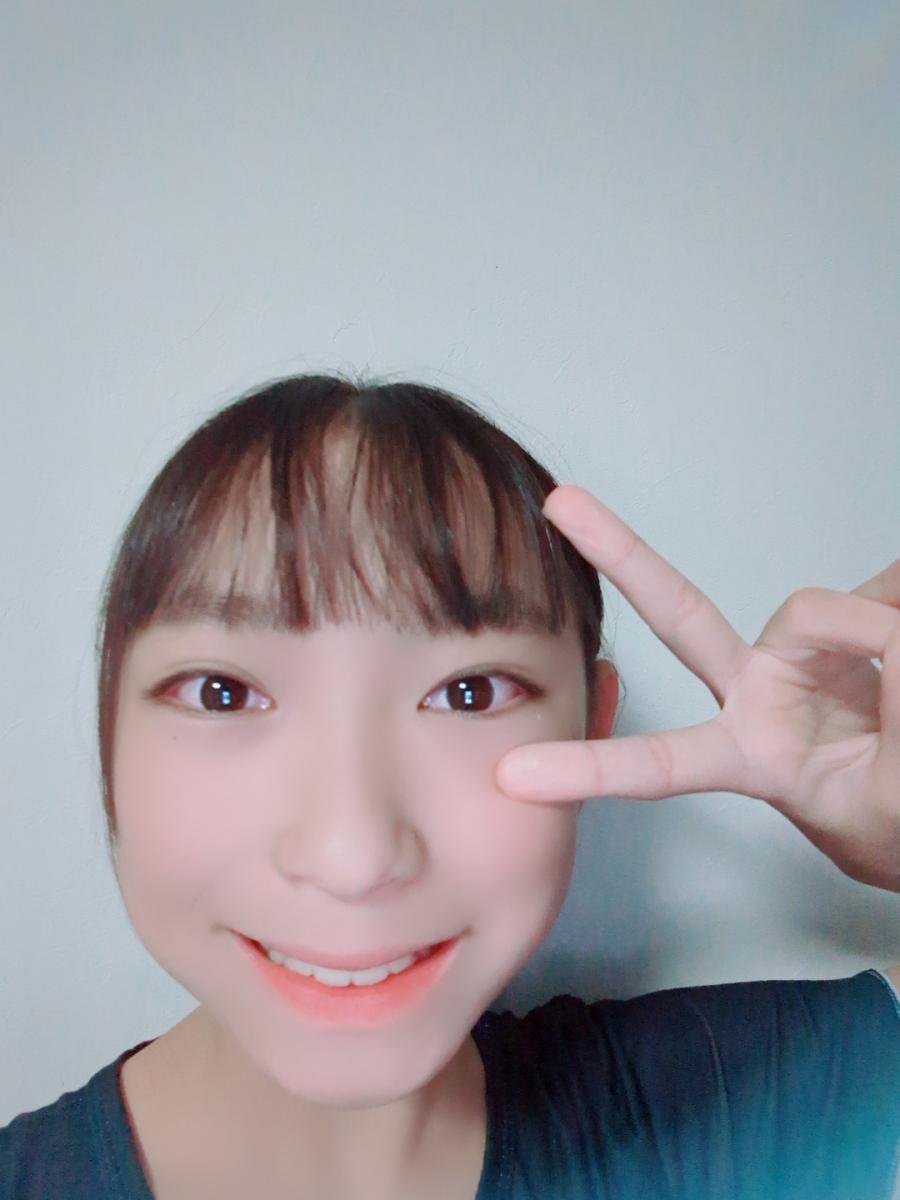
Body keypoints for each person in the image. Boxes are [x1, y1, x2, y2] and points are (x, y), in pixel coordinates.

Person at [1, 372, 897, 1200]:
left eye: (469, 694)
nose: (353, 856)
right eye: (222, 693)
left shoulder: (716, 1117)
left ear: (592, 729)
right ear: (106, 734)